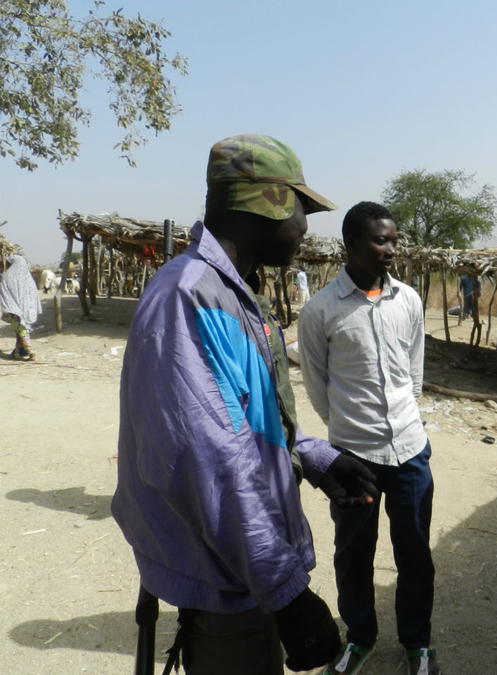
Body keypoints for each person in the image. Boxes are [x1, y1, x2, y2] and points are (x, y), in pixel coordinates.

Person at [112, 134, 378, 675]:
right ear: (269, 203)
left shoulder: (229, 291)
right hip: (228, 581)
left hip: (242, 569)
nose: (306, 227)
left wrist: (316, 458)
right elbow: (211, 462)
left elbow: (243, 419)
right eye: (302, 209)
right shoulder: (188, 296)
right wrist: (287, 595)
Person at [298, 201, 440, 675]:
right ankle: (359, 638)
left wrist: (406, 424)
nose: (391, 250)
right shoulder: (320, 311)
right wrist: (349, 433)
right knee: (353, 555)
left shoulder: (410, 301)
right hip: (353, 458)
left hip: (410, 450)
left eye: (395, 240)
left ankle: (417, 644)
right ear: (352, 245)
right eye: (381, 241)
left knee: (415, 553)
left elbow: (414, 375)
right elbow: (318, 388)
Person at [0, 254, 41, 361]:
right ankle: (18, 352)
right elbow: (34, 295)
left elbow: (4, 293)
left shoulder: (7, 276)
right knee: (21, 331)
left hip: (13, 309)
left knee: (21, 331)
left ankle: (31, 352)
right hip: (27, 309)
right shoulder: (28, 278)